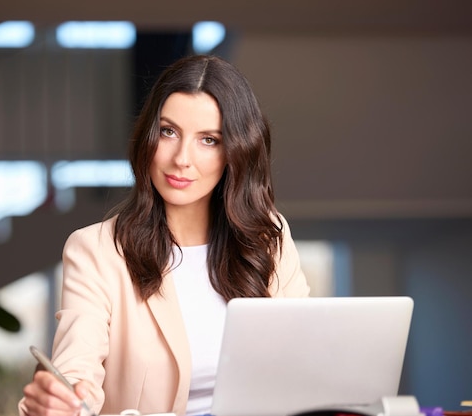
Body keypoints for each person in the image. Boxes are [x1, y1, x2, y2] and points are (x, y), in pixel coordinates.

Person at [20, 54, 310, 416]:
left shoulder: (268, 238)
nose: (181, 159)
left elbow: (303, 363)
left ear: (235, 153)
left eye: (208, 140)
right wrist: (58, 401)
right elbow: (77, 372)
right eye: (168, 131)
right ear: (148, 136)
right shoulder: (96, 251)